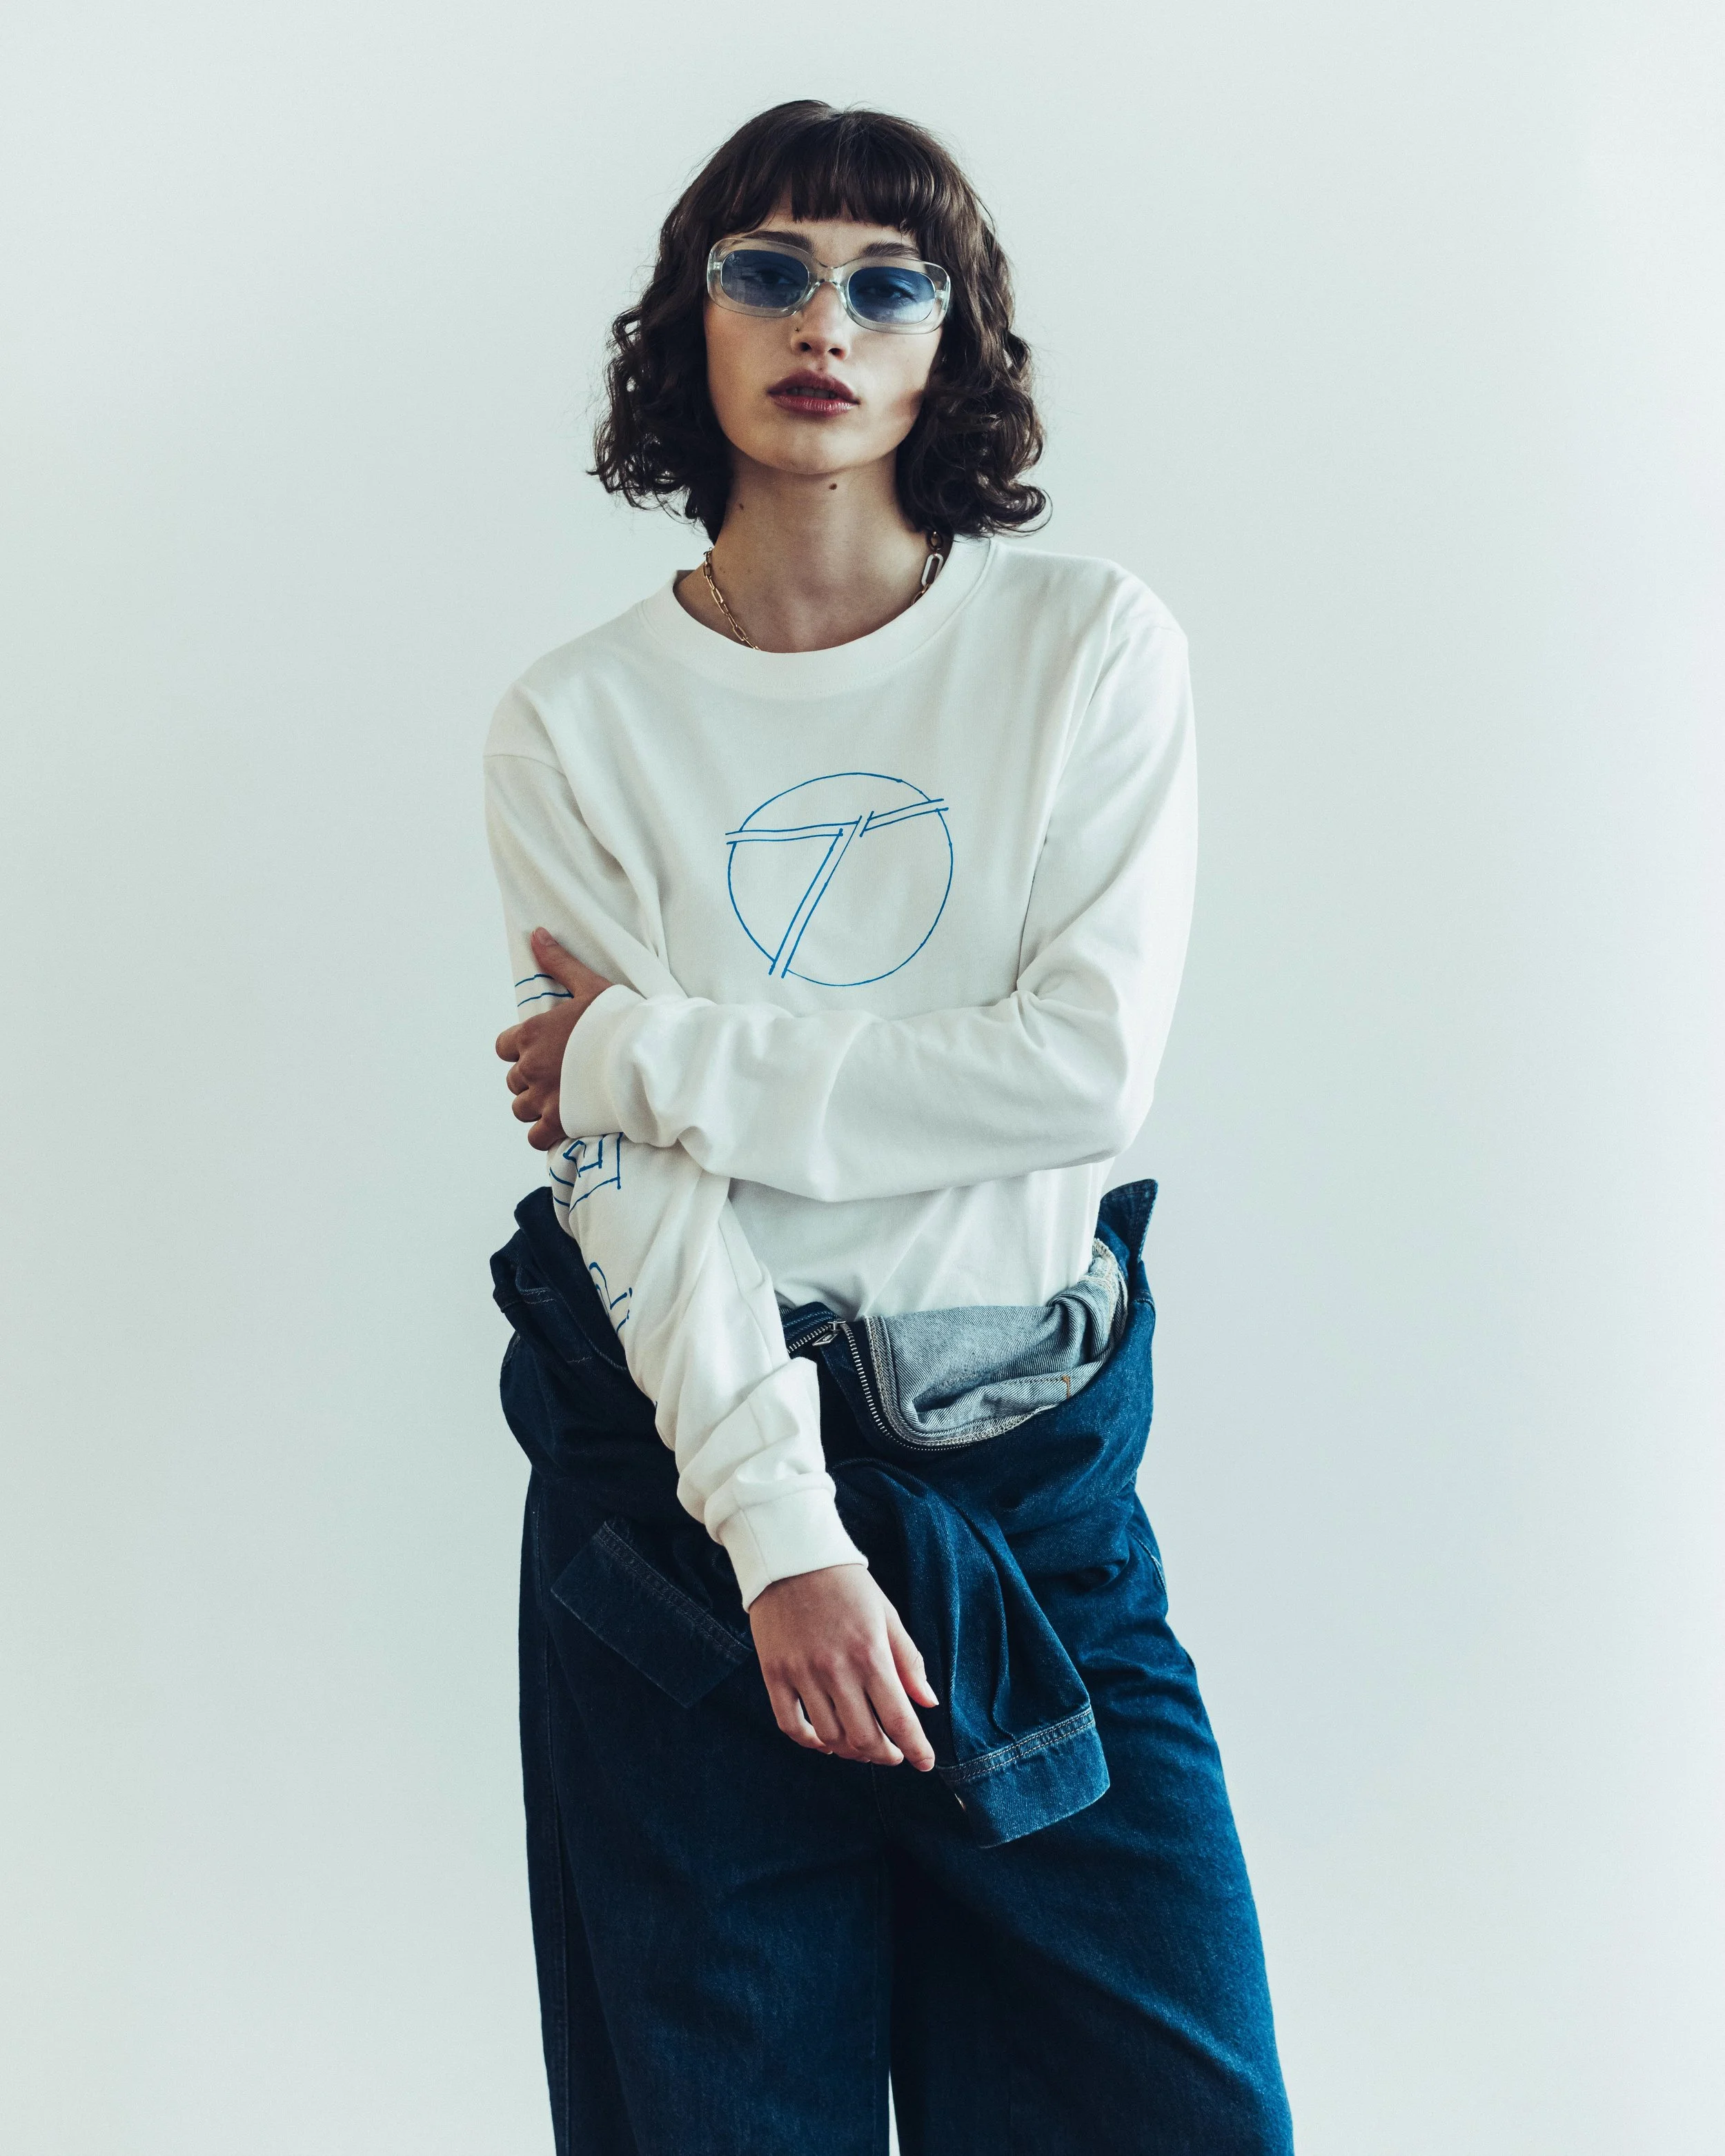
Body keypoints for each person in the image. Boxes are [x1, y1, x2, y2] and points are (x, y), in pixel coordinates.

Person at [486, 98, 1293, 2156]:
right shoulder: (577, 721)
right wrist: (785, 1546)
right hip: (690, 1518)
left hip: (1027, 1480)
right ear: (689, 321)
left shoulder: (1082, 652)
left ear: (954, 340)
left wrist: (645, 1051)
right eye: (766, 271)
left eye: (884, 281)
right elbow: (640, 1205)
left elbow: (1074, 1073)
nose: (821, 321)